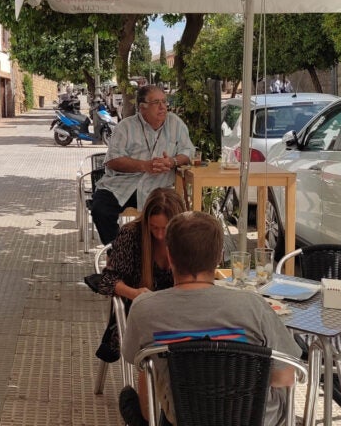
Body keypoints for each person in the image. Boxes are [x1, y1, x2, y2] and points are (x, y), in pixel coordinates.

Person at [120, 212, 302, 426]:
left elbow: (135, 359)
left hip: (184, 418)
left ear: (170, 256)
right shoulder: (254, 306)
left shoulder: (144, 309)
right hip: (255, 418)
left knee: (131, 396)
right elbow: (285, 377)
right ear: (219, 256)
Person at [90, 85, 194, 245]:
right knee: (100, 209)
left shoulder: (175, 123)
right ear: (142, 107)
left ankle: (161, 255)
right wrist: (145, 166)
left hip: (158, 187)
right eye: (156, 102)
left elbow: (188, 151)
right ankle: (118, 251)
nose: (163, 107)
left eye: (164, 102)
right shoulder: (125, 127)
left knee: (173, 213)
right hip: (122, 185)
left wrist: (172, 161)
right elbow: (113, 160)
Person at [93, 188, 187, 363]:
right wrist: (134, 293)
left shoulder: (187, 236)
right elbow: (107, 280)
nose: (160, 235)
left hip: (177, 311)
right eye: (154, 227)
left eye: (165, 228)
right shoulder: (132, 235)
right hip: (141, 314)